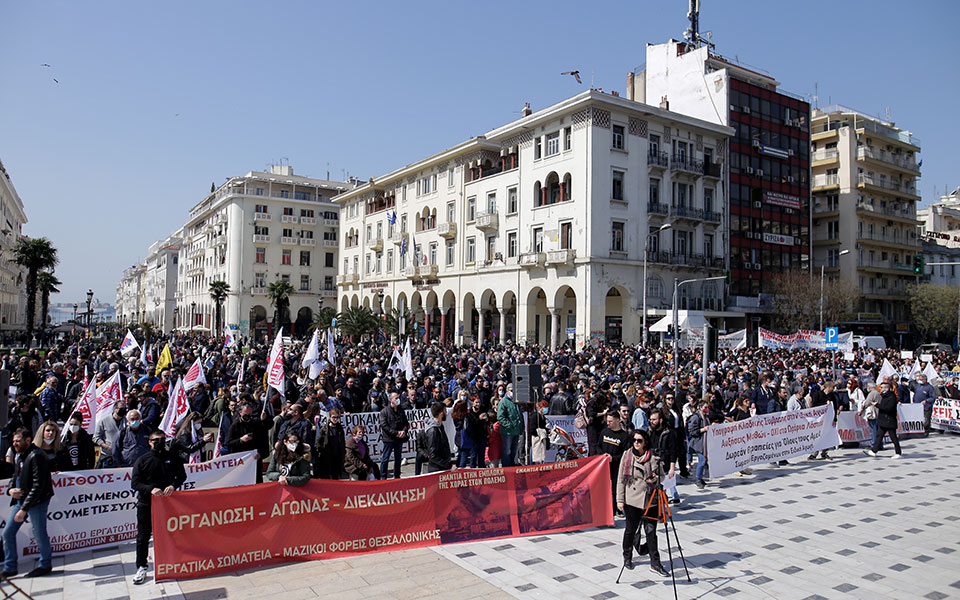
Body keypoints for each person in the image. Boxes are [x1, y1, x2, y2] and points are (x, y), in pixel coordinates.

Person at [130, 430, 186, 585]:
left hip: (168, 503)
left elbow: (182, 476)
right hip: (147, 503)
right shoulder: (142, 460)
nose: (159, 443)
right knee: (143, 537)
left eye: (162, 440)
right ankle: (141, 566)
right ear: (150, 442)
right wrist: (150, 489)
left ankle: (172, 563)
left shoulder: (173, 458)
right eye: (156, 440)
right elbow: (135, 483)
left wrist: (173, 485)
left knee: (171, 534)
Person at [2, 427, 54, 578]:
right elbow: (15, 475)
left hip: (36, 502)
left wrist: (24, 509)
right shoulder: (20, 455)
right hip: (21, 500)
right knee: (8, 533)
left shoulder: (37, 456)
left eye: (18, 441)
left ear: (27, 440)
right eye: (13, 441)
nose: (15, 444)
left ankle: (45, 564)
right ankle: (10, 566)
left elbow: (39, 485)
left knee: (39, 533)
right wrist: (10, 490)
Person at [616, 430, 668, 577]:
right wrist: (620, 500)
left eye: (639, 440)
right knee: (630, 530)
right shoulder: (627, 456)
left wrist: (655, 479)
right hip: (632, 499)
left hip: (650, 500)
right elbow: (621, 479)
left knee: (651, 532)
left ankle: (655, 563)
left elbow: (662, 477)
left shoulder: (653, 458)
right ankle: (627, 556)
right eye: (634, 440)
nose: (636, 443)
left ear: (646, 442)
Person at [226, 402, 271, 483]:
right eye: (246, 414)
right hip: (241, 464)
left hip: (255, 463)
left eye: (250, 414)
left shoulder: (256, 424)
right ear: (240, 412)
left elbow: (264, 442)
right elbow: (229, 443)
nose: (248, 416)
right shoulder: (235, 425)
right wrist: (241, 440)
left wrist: (260, 454)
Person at [599, 411, 631, 516]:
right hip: (603, 466)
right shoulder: (604, 432)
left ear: (618, 421)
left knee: (614, 491)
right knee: (602, 490)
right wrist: (602, 455)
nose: (608, 423)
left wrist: (614, 458)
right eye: (607, 421)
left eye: (610, 421)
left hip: (617, 467)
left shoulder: (624, 436)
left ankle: (612, 513)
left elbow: (625, 454)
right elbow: (598, 446)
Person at [648, 410, 680, 504]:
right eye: (651, 419)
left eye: (654, 419)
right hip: (652, 465)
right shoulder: (650, 431)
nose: (652, 422)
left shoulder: (669, 433)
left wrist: (672, 468)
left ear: (660, 420)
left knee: (662, 491)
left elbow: (673, 451)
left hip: (664, 465)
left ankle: (661, 512)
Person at [865, 381, 902, 459]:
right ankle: (874, 451)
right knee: (879, 436)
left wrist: (877, 405)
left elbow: (888, 408)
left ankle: (898, 452)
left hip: (889, 420)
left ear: (886, 388)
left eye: (881, 387)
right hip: (883, 420)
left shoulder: (891, 397)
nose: (880, 389)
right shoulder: (883, 396)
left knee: (893, 437)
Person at [378, 392, 409, 479]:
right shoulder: (384, 411)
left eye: (398, 398)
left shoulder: (401, 410)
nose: (397, 400)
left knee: (398, 458)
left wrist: (404, 431)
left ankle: (397, 476)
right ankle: (383, 477)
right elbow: (384, 425)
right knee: (385, 459)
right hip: (389, 439)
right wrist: (396, 433)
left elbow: (406, 423)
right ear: (391, 400)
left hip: (399, 439)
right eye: (396, 398)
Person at [314, 408, 346, 479]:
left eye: (337, 417)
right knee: (326, 475)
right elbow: (318, 442)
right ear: (330, 417)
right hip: (327, 456)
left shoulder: (340, 428)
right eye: (334, 417)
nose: (335, 419)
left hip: (337, 455)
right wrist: (321, 452)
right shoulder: (325, 428)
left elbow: (342, 442)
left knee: (336, 476)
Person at [93, 402, 126, 468]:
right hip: (108, 456)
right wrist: (106, 446)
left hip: (123, 456)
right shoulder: (103, 421)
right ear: (115, 409)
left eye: (125, 409)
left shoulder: (127, 421)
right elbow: (96, 437)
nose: (123, 410)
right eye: (121, 409)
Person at [496, 387, 523, 467]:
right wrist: (509, 425)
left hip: (516, 430)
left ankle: (512, 466)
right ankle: (506, 467)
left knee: (514, 450)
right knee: (507, 450)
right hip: (507, 431)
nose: (513, 392)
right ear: (507, 391)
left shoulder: (516, 402)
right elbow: (500, 416)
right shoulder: (503, 402)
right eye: (511, 390)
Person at [424, 402, 453, 473]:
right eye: (445, 411)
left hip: (442, 466)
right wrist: (448, 465)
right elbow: (433, 455)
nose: (446, 413)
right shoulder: (433, 430)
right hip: (437, 469)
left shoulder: (440, 426)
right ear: (441, 414)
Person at [460, 396, 489, 468]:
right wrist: (479, 419)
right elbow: (470, 426)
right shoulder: (469, 413)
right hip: (473, 438)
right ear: (472, 403)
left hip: (482, 436)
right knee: (473, 456)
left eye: (479, 402)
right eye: (476, 402)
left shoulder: (483, 411)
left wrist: (487, 419)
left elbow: (487, 423)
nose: (478, 404)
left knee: (481, 457)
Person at [686, 399, 709, 489]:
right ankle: (698, 479)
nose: (707, 409)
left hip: (704, 442)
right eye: (705, 407)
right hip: (698, 443)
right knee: (702, 461)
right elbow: (692, 431)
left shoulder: (705, 417)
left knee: (704, 460)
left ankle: (700, 478)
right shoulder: (696, 417)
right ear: (700, 407)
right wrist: (703, 430)